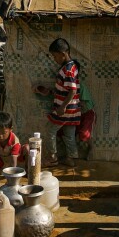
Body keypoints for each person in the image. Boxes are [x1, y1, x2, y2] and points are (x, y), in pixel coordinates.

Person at [33, 37, 80, 167]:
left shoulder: (67, 70)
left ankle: (52, 157)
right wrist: (51, 92)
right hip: (74, 109)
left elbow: (72, 90)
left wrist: (63, 107)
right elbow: (67, 89)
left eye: (55, 56)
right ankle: (71, 158)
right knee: (69, 134)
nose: (54, 59)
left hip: (66, 109)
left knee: (50, 131)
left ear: (62, 54)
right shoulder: (73, 67)